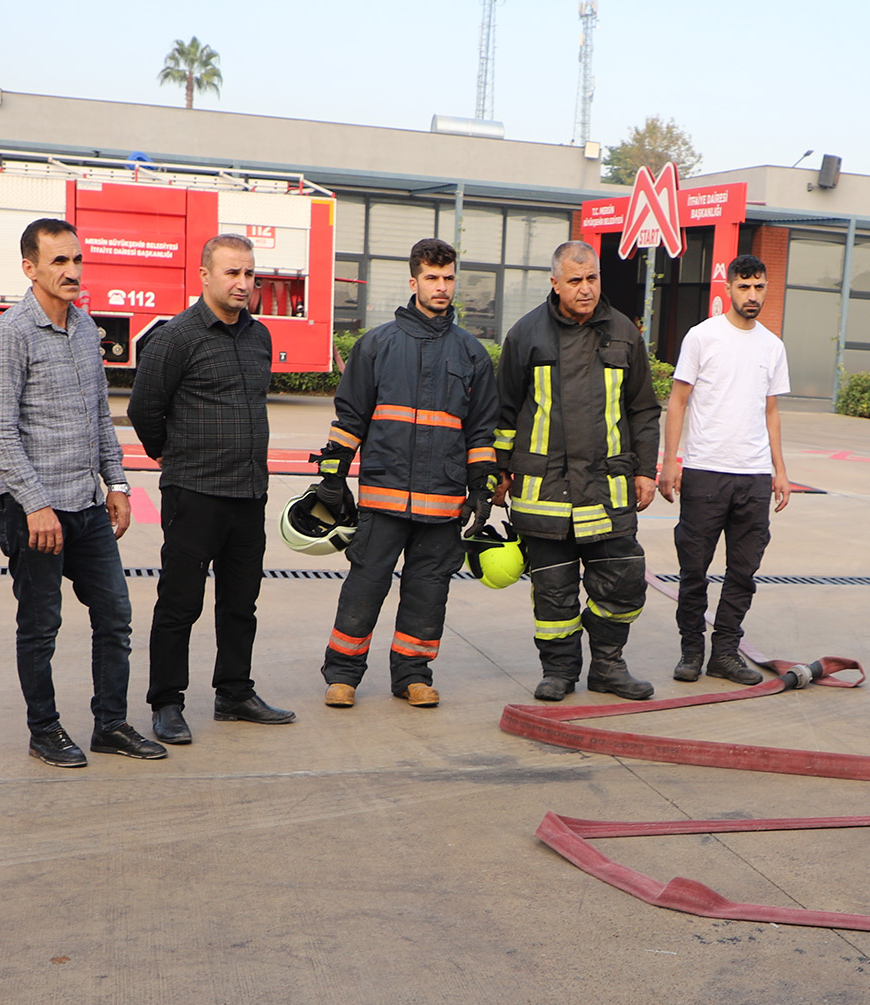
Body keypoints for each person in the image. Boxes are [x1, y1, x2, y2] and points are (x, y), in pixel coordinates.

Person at [0, 217, 162, 768]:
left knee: (115, 617)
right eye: (59, 261)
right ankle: (45, 730)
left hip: (87, 508)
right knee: (41, 628)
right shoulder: (10, 333)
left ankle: (110, 725)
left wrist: (119, 483)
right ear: (30, 268)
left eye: (77, 260)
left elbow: (99, 420)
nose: (72, 271)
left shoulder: (85, 329)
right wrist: (35, 504)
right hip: (35, 513)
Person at [312, 237, 499, 707]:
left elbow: (481, 431)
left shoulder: (472, 354)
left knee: (428, 590)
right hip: (383, 495)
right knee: (365, 585)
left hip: (442, 500)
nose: (442, 287)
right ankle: (343, 675)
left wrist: (482, 487)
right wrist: (333, 478)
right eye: (432, 278)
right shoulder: (377, 345)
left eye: (449, 278)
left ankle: (413, 674)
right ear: (413, 281)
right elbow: (349, 417)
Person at [128, 233, 293, 734]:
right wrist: (172, 456)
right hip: (194, 493)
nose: (243, 283)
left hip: (248, 493)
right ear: (204, 276)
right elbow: (143, 409)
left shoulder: (259, 336)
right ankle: (166, 702)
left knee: (242, 603)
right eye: (232, 273)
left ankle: (235, 693)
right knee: (180, 602)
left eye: (249, 274)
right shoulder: (177, 337)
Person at [494, 241, 662, 701]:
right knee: (554, 593)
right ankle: (559, 673)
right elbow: (504, 412)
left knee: (623, 579)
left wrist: (646, 470)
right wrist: (500, 471)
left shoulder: (625, 333)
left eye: (592, 279)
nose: (585, 289)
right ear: (555, 283)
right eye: (575, 280)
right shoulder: (526, 334)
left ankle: (608, 666)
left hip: (607, 489)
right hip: (544, 492)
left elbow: (643, 410)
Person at [659, 253, 791, 686]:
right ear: (728, 288)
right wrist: (670, 463)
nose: (751, 295)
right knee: (693, 569)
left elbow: (770, 411)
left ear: (766, 288)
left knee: (742, 572)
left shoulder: (772, 346)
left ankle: (726, 653)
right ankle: (691, 652)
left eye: (758, 287)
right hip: (704, 471)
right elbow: (677, 402)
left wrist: (779, 470)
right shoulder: (702, 337)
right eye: (743, 287)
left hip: (753, 478)